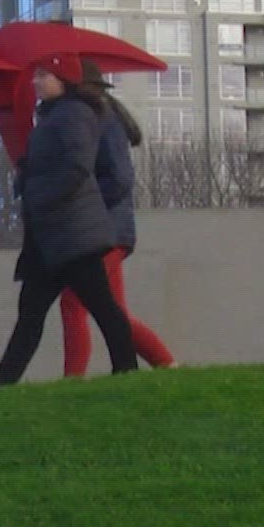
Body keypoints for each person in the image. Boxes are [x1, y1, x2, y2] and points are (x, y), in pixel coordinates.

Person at [0, 54, 139, 386]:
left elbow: (77, 166)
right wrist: (27, 177)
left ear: (63, 80)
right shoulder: (55, 115)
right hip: (52, 235)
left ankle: (127, 370)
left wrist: (43, 197)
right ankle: (2, 379)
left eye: (43, 75)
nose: (35, 81)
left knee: (100, 305)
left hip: (72, 233)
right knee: (33, 311)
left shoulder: (74, 114)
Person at [59, 59, 178, 375]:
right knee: (114, 310)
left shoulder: (102, 119)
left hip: (105, 231)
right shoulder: (95, 118)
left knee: (73, 301)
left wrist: (85, 205)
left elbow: (121, 178)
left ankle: (72, 380)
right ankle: (167, 365)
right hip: (106, 229)